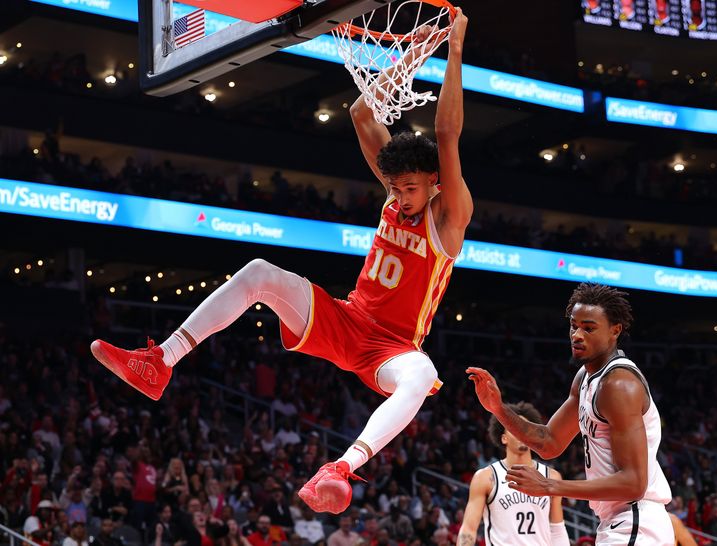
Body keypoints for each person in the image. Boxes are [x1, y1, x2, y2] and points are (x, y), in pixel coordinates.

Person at [89, 8, 472, 516]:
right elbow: (362, 113)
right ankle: (160, 362)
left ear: (434, 185)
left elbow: (447, 134)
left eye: (410, 188)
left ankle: (339, 468)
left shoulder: (449, 218)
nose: (399, 196)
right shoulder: (396, 193)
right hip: (346, 319)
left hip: (393, 348)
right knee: (259, 272)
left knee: (421, 375)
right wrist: (416, 50)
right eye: (394, 187)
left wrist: (456, 50)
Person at [467, 283, 673, 546]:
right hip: (619, 521)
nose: (577, 335)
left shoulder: (618, 385)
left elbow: (634, 483)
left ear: (615, 331)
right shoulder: (586, 379)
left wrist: (550, 487)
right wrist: (498, 408)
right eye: (574, 326)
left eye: (589, 328)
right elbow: (549, 442)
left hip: (636, 520)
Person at [457, 402, 569, 546]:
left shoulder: (551, 476)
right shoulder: (486, 478)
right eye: (514, 429)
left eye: (526, 429)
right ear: (504, 438)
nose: (522, 434)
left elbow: (557, 529)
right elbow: (469, 529)